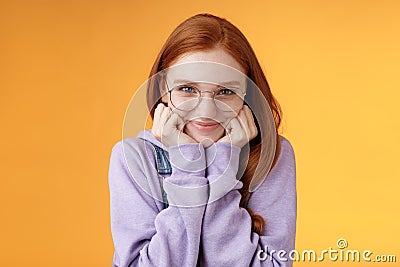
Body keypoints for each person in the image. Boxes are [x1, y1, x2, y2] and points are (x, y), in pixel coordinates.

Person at [108, 13, 297, 266]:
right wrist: (187, 164)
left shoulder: (273, 155)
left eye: (225, 91)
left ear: (248, 96)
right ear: (164, 88)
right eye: (187, 88)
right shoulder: (133, 158)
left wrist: (224, 162)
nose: (206, 110)